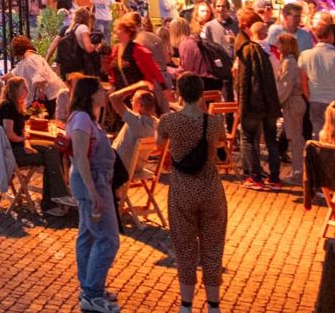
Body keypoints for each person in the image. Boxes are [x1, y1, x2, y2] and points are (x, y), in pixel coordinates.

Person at [156, 73, 228, 313]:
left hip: (182, 189)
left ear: (178, 92)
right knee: (213, 246)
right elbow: (221, 151)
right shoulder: (216, 122)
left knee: (185, 247)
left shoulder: (169, 121)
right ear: (201, 93)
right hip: (210, 187)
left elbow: (159, 145)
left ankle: (186, 305)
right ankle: (214, 304)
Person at [66, 76, 119, 313]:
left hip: (97, 182)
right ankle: (92, 292)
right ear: (90, 94)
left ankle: (89, 285)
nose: (104, 92)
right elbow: (79, 158)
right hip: (92, 184)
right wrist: (92, 192)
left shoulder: (89, 119)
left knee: (88, 235)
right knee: (108, 238)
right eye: (101, 89)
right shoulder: (81, 119)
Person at [0, 74, 71, 214]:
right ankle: (52, 201)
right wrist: (24, 141)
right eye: (24, 89)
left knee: (53, 148)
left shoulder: (16, 106)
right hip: (10, 153)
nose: (27, 92)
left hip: (18, 146)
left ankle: (57, 197)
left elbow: (22, 133)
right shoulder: (7, 107)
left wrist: (27, 143)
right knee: (51, 157)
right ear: (15, 90)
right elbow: (9, 134)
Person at [233, 22, 281, 189]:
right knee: (271, 140)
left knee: (248, 138)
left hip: (253, 102)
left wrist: (241, 102)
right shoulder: (273, 53)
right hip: (271, 101)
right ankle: (275, 178)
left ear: (250, 32)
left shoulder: (247, 51)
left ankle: (254, 177)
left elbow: (241, 79)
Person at [108, 82, 158, 214]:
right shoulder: (156, 124)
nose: (130, 102)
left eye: (132, 100)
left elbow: (113, 97)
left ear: (140, 106)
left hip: (119, 167)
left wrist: (135, 87)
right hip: (137, 166)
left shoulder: (136, 121)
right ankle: (114, 197)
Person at [274, 32, 308, 183]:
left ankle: (298, 172)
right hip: (295, 102)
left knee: (295, 139)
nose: (277, 46)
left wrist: (275, 104)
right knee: (296, 138)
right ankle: (299, 170)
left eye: (280, 43)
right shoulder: (291, 61)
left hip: (292, 103)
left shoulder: (289, 62)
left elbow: (285, 87)